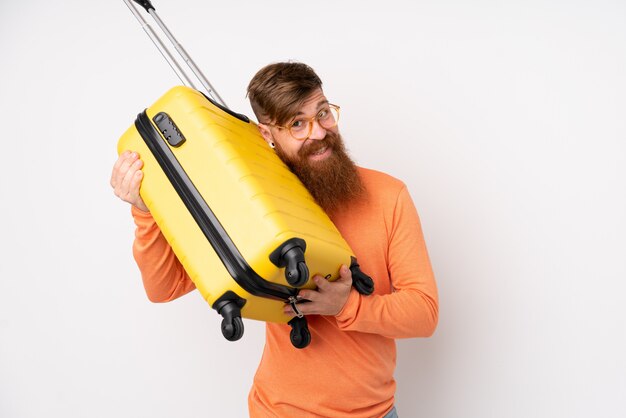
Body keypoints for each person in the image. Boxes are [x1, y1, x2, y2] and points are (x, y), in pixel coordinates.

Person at [111, 62, 438, 418]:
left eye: (323, 113)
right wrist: (145, 213)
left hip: (372, 413)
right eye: (297, 123)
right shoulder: (252, 203)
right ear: (267, 135)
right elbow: (165, 288)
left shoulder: (388, 195)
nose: (318, 132)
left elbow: (424, 312)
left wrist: (347, 306)